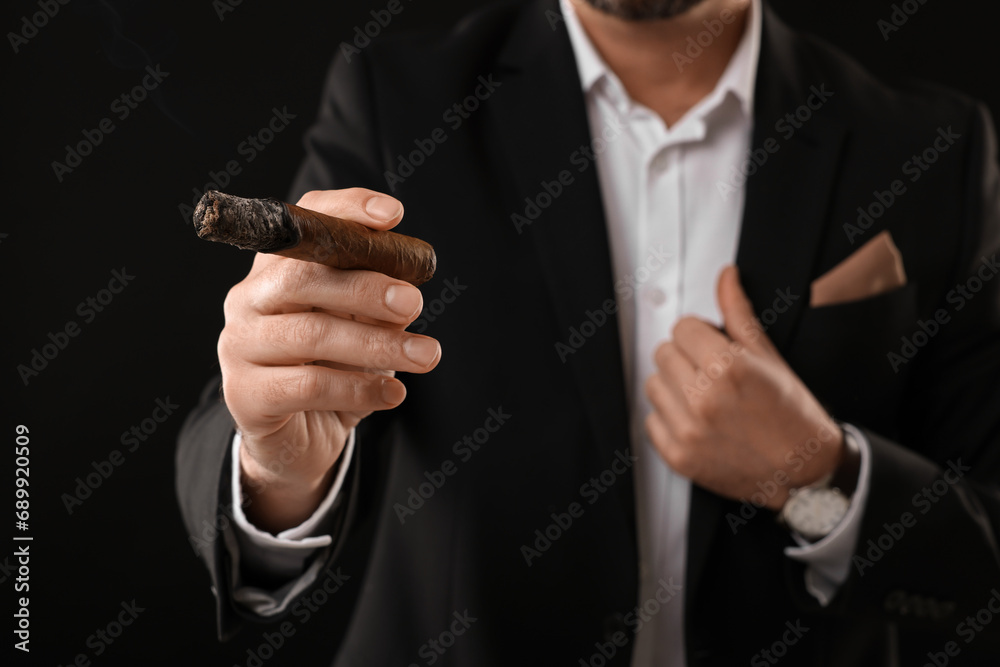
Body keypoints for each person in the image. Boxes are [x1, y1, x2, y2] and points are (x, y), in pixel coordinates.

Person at [176, 0, 1000, 664]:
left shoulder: (932, 147)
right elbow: (265, 413)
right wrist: (279, 465)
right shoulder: (396, 99)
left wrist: (819, 476)